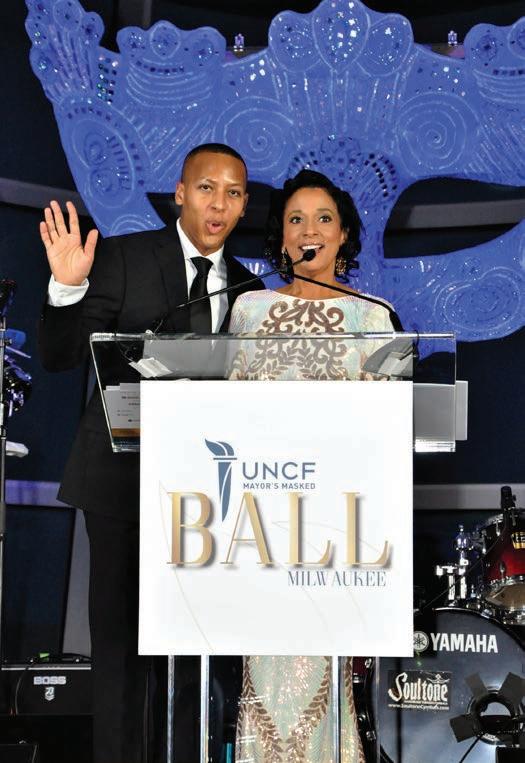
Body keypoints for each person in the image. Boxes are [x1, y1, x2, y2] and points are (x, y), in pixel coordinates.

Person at [38, 143, 263, 763]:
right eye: (207, 188)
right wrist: (67, 287)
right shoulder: (124, 258)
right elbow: (60, 356)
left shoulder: (250, 290)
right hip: (120, 483)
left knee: (191, 658)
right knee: (120, 651)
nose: (219, 204)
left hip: (208, 497)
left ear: (245, 206)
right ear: (180, 193)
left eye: (233, 193)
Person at [229, 169, 402, 762]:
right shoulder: (248, 310)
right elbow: (227, 407)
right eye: (296, 219)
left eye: (324, 218)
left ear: (344, 233)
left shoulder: (372, 316)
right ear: (280, 237)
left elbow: (388, 425)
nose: (310, 230)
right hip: (261, 523)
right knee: (264, 668)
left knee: (327, 669)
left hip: (335, 528)